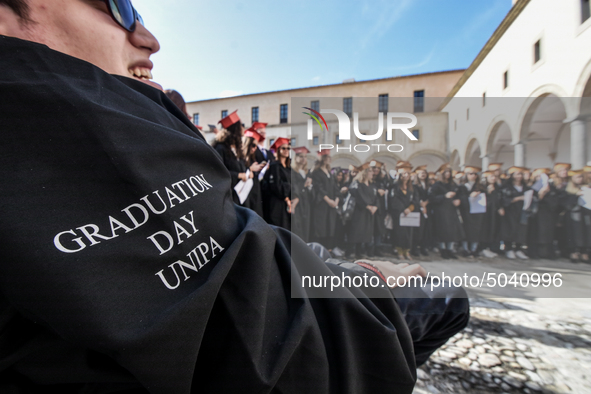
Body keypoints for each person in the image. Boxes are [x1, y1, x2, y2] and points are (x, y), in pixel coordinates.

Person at [0, 1, 469, 392]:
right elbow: (259, 346)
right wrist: (367, 279)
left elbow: (230, 244)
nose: (147, 37)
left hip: (263, 282)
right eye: (118, 6)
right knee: (444, 300)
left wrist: (334, 269)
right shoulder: (69, 116)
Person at [428, 164, 464, 259]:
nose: (448, 174)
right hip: (441, 211)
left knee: (452, 231)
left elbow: (459, 195)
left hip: (451, 210)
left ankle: (450, 249)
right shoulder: (437, 185)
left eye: (449, 172)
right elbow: (432, 198)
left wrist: (458, 200)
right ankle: (443, 249)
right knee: (442, 231)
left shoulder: (453, 184)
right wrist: (444, 196)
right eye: (446, 172)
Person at [499, 167, 535, 259]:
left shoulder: (526, 187)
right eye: (517, 174)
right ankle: (509, 249)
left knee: (521, 230)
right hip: (510, 211)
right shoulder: (506, 187)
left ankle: (518, 249)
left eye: (520, 174)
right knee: (510, 229)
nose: (519, 176)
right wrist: (518, 198)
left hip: (522, 211)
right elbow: (503, 199)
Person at [388, 162, 420, 260]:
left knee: (409, 233)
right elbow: (394, 199)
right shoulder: (395, 187)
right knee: (399, 232)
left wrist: (410, 208)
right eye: (404, 174)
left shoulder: (413, 188)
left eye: (408, 174)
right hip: (399, 213)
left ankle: (407, 251)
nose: (406, 175)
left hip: (409, 213)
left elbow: (416, 199)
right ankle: (399, 251)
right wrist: (403, 209)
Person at [346, 164, 377, 258]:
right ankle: (349, 252)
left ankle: (358, 253)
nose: (373, 173)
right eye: (371, 171)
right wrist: (367, 206)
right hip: (359, 211)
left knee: (364, 233)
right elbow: (358, 195)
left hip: (369, 212)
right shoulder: (357, 183)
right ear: (365, 173)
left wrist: (375, 206)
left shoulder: (372, 185)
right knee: (355, 232)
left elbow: (375, 197)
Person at [310, 151, 340, 249]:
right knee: (321, 227)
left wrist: (336, 200)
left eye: (329, 156)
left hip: (331, 205)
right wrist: (329, 200)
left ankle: (328, 249)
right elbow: (319, 188)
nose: (328, 158)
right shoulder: (316, 172)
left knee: (330, 227)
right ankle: (319, 250)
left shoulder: (329, 173)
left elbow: (335, 188)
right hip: (322, 204)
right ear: (321, 158)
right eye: (326, 156)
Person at [457, 166, 487, 257]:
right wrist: (470, 196)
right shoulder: (462, 186)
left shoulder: (480, 186)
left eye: (475, 174)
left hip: (477, 212)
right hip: (466, 212)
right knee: (466, 230)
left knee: (476, 230)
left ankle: (474, 249)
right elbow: (460, 198)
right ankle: (465, 249)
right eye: (471, 174)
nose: (473, 176)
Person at [264, 138, 292, 229]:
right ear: (278, 150)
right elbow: (276, 186)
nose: (286, 150)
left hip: (287, 203)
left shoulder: (288, 168)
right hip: (277, 203)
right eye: (283, 148)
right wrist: (286, 197)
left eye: (288, 148)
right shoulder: (274, 166)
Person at [563, 169, 590, 262]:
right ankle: (573, 252)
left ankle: (584, 252)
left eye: (581, 177)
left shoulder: (586, 188)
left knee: (586, 233)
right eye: (578, 177)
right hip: (573, 214)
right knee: (574, 233)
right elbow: (565, 204)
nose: (580, 179)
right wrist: (576, 195)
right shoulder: (568, 189)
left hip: (586, 214)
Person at [241, 127, 266, 216]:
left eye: (256, 146)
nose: (255, 148)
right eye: (253, 145)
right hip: (244, 195)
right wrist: (250, 169)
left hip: (255, 193)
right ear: (247, 143)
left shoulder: (253, 159)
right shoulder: (240, 159)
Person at [290, 146, 313, 242]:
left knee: (305, 227)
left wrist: (309, 186)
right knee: (297, 228)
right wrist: (304, 185)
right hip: (297, 204)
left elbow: (311, 192)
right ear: (295, 158)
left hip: (306, 204)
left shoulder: (307, 172)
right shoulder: (292, 172)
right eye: (301, 156)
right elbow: (294, 188)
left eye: (305, 157)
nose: (304, 159)